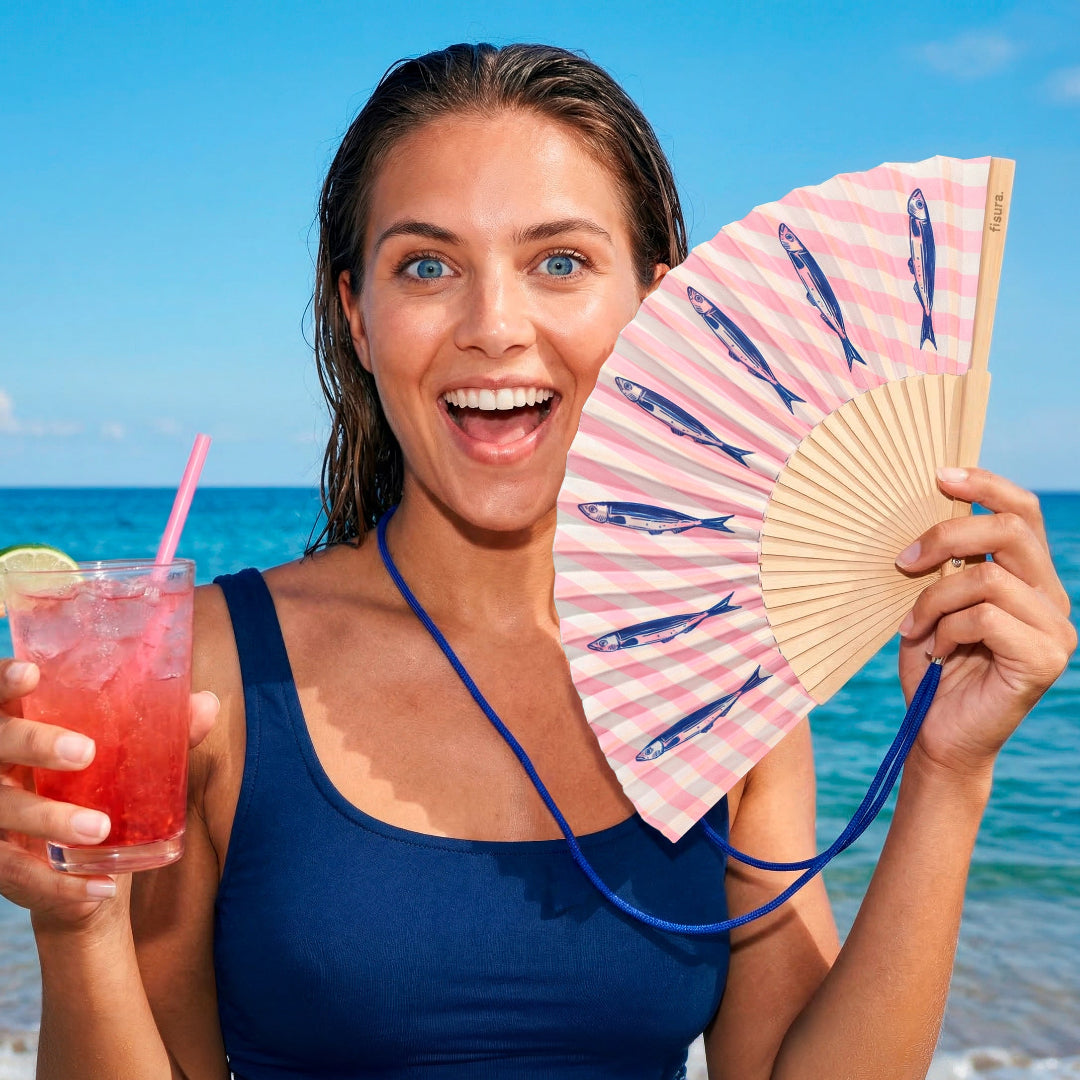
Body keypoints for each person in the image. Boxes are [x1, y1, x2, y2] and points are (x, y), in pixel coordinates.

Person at [0, 42, 1074, 1080]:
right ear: (356, 317)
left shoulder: (734, 675)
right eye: (427, 266)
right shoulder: (209, 673)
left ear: (657, 303)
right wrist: (78, 924)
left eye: (559, 261)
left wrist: (948, 773)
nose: (494, 325)